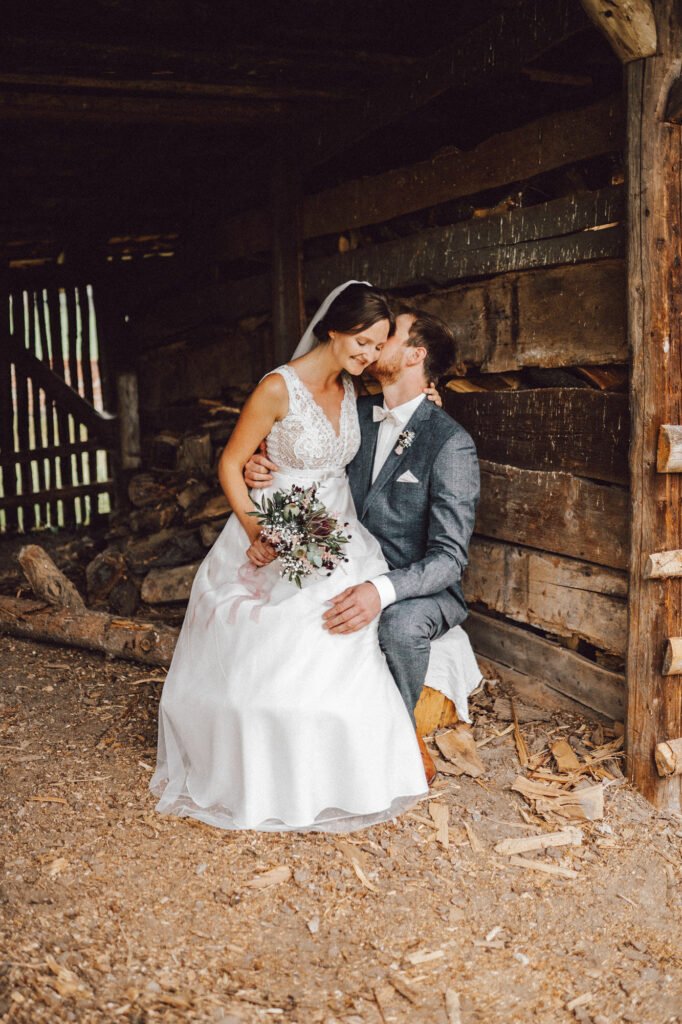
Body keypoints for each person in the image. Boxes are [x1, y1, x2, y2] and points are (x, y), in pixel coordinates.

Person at [150, 281, 443, 833]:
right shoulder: (277, 389)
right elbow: (231, 463)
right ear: (333, 328)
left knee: (346, 632)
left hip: (340, 530)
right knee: (275, 644)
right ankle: (270, 771)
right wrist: (258, 527)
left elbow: (387, 418)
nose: (368, 355)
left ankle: (355, 767)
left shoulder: (356, 390)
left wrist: (428, 399)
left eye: (377, 346)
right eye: (361, 341)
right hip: (278, 525)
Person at [246, 297, 481, 783]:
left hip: (419, 585)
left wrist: (382, 590)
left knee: (398, 626)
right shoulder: (355, 411)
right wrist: (263, 469)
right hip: (339, 559)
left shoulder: (449, 442)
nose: (374, 341)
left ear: (415, 356)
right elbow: (314, 469)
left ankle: (400, 738)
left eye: (389, 334)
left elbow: (450, 558)